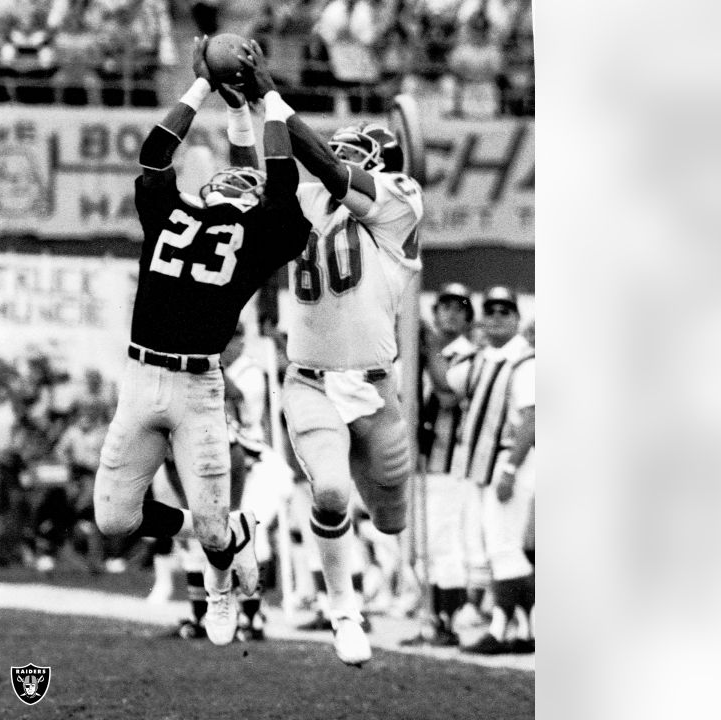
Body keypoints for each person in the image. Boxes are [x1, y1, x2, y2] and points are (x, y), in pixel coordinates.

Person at [93, 39, 312, 646]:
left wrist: (257, 98)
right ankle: (223, 533)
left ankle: (222, 592)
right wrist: (201, 89)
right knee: (114, 518)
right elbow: (155, 154)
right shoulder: (175, 211)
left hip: (196, 387)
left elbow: (282, 179)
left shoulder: (259, 232)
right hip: (140, 380)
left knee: (215, 534)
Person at [236, 39, 424, 666]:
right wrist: (244, 105)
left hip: (375, 390)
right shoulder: (305, 199)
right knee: (330, 495)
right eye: (334, 146)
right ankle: (345, 611)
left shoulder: (398, 199)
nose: (334, 157)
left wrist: (271, 95)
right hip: (310, 380)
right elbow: (267, 169)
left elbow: (329, 168)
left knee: (392, 519)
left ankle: (393, 585)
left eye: (350, 152)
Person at [448, 286, 536, 655]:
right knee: (499, 547)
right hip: (486, 464)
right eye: (492, 311)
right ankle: (527, 630)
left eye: (505, 311)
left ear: (516, 318)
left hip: (510, 460)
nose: (498, 317)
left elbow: (532, 419)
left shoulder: (525, 361)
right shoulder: (485, 358)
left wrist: (511, 469)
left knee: (504, 547)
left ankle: (500, 629)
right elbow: (447, 383)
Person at [403, 282, 484, 647]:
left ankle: (447, 621)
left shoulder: (470, 355)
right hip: (422, 460)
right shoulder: (423, 352)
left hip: (451, 462)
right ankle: (430, 618)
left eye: (459, 308)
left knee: (445, 542)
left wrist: (430, 349)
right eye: (444, 307)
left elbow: (448, 394)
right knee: (424, 546)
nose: (450, 314)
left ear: (468, 318)